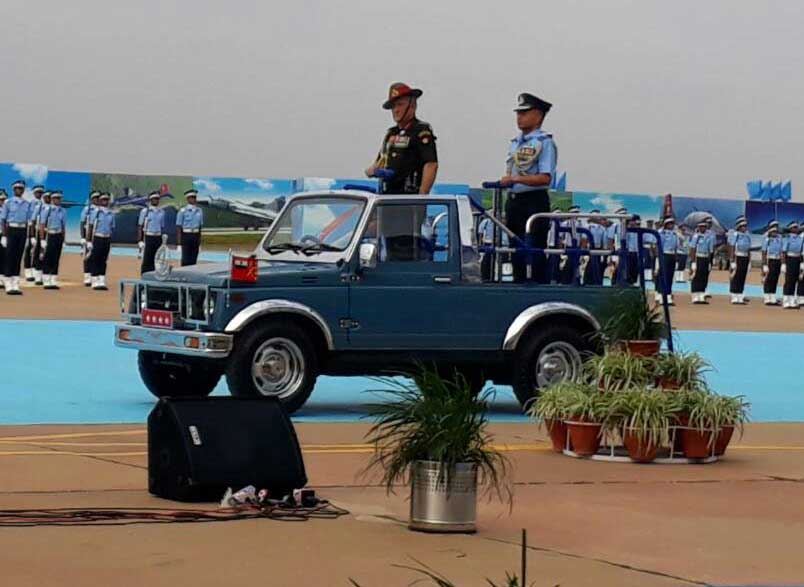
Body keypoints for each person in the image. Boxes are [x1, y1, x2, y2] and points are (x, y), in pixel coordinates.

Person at [497, 92, 556, 283]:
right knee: (515, 248)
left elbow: (545, 177)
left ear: (538, 116)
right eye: (518, 113)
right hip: (514, 201)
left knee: (534, 248)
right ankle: (518, 283)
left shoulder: (544, 142)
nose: (519, 117)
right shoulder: (515, 142)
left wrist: (515, 180)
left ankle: (537, 286)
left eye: (524, 113)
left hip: (533, 201)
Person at [365, 82, 438, 195]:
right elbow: (380, 162)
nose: (396, 110)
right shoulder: (391, 133)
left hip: (408, 199)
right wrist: (371, 171)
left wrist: (422, 196)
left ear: (412, 106)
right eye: (393, 106)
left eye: (400, 105)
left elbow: (431, 164)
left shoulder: (421, 131)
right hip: (386, 197)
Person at [0, 181, 31, 294]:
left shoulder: (27, 204)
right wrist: (4, 235)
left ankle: (15, 283)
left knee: (18, 257)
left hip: (22, 230)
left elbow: (29, 222)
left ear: (23, 190)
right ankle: (8, 283)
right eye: (17, 188)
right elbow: (3, 220)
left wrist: (28, 236)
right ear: (14, 190)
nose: (19, 190)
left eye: (21, 188)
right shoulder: (8, 202)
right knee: (9, 256)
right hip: (11, 230)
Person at [87, 192, 115, 290]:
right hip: (97, 237)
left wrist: (110, 241)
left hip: (106, 238)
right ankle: (94, 280)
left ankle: (101, 280)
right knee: (96, 258)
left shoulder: (111, 213)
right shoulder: (96, 212)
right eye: (103, 200)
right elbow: (90, 226)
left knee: (104, 259)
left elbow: (112, 228)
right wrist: (89, 241)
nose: (105, 201)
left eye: (107, 200)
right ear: (100, 201)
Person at [39, 191, 66, 290]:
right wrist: (42, 239)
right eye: (55, 198)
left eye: (59, 199)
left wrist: (63, 240)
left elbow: (63, 227)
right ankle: (46, 279)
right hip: (49, 234)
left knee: (56, 258)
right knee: (48, 257)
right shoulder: (47, 209)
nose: (57, 200)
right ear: (52, 199)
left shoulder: (63, 211)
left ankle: (53, 279)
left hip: (58, 235)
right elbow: (42, 225)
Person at [138, 192, 166, 275]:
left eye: (157, 199)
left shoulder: (162, 212)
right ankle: (145, 275)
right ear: (150, 200)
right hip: (148, 236)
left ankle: (154, 275)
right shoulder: (145, 211)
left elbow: (162, 226)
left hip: (158, 237)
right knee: (147, 258)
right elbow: (140, 226)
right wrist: (140, 240)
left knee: (157, 258)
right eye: (154, 199)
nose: (156, 201)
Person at [23, 185, 45, 282]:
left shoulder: (42, 204)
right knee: (29, 249)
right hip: (31, 228)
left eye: (41, 192)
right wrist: (31, 234)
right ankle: (28, 271)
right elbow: (31, 218)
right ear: (34, 193)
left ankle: (35, 270)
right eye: (37, 192)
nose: (39, 194)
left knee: (37, 250)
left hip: (38, 229)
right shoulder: (32, 203)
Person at [176, 189, 203, 266]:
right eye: (191, 197)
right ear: (187, 199)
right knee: (185, 259)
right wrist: (179, 244)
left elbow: (200, 227)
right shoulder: (182, 211)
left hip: (195, 236)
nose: (194, 199)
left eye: (194, 197)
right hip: (186, 236)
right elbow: (178, 227)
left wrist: (200, 243)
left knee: (194, 259)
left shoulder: (199, 211)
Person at [689, 220, 714, 304]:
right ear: (698, 227)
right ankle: (695, 296)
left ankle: (701, 295)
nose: (703, 228)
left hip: (705, 258)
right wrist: (693, 262)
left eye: (704, 227)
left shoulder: (709, 237)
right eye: (701, 227)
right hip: (698, 257)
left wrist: (710, 262)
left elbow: (710, 250)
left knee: (704, 277)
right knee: (696, 277)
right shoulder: (696, 236)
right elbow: (692, 249)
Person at [728, 218, 752, 304]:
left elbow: (749, 249)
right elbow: (732, 247)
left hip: (745, 257)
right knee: (736, 276)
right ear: (739, 227)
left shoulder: (747, 235)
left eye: (745, 226)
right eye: (743, 226)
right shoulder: (735, 234)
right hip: (737, 256)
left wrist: (749, 261)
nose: (745, 228)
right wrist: (732, 260)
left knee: (742, 276)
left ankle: (740, 295)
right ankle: (734, 295)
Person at [80, 191, 101, 286]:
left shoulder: (102, 210)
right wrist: (83, 237)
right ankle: (87, 277)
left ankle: (95, 276)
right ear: (91, 200)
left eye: (98, 198)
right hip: (89, 236)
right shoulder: (87, 209)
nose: (96, 200)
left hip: (98, 236)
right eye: (95, 198)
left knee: (97, 257)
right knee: (87, 257)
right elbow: (82, 223)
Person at [656, 217, 678, 304]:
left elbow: (676, 247)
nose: (671, 225)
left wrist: (676, 258)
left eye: (672, 223)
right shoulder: (662, 233)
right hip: (664, 255)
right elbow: (659, 246)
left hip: (672, 255)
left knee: (670, 276)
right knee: (663, 276)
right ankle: (662, 295)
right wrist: (658, 258)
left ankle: (668, 295)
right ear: (666, 224)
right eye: (670, 224)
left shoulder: (674, 234)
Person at [32, 191, 52, 285]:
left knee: (48, 254)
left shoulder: (52, 208)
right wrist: (33, 235)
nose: (48, 198)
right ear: (43, 198)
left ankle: (45, 274)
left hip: (50, 233)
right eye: (47, 197)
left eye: (49, 197)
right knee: (39, 252)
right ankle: (37, 275)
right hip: (40, 232)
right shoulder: (39, 207)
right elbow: (33, 220)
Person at [761, 220, 783, 305]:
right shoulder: (766, 237)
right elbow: (764, 252)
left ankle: (773, 295)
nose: (776, 227)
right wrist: (764, 264)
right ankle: (767, 296)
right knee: (768, 278)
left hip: (777, 260)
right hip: (769, 260)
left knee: (775, 278)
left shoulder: (779, 237)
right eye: (774, 226)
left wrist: (782, 263)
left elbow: (781, 251)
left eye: (777, 226)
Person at [781, 221, 803, 309]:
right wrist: (783, 264)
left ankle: (792, 300)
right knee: (789, 280)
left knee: (794, 279)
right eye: (794, 227)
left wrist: (801, 262)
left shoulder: (800, 239)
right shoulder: (787, 238)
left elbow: (801, 252)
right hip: (789, 259)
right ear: (790, 229)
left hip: (797, 259)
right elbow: (783, 252)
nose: (796, 229)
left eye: (796, 227)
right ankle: (786, 300)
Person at [582, 209, 606, 286]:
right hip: (590, 249)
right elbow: (584, 240)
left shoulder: (602, 228)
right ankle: (587, 283)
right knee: (589, 268)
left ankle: (598, 283)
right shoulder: (587, 227)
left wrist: (603, 253)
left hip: (598, 250)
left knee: (598, 268)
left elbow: (603, 242)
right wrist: (584, 252)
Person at [0, 190, 6, 289]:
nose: (2, 201)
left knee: (3, 257)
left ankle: (1, 278)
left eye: (4, 200)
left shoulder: (7, 210)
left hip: (3, 235)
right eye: (1, 200)